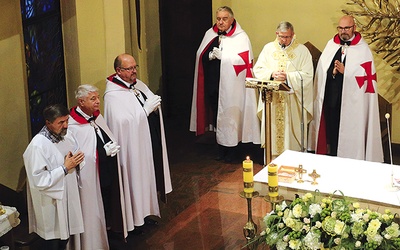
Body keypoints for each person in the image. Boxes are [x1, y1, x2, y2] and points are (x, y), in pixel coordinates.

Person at [104, 53, 172, 232]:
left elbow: (147, 101)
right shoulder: (112, 95)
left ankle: (145, 213)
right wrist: (145, 111)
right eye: (129, 69)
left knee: (148, 177)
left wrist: (153, 106)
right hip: (132, 148)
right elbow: (121, 123)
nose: (134, 71)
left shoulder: (137, 84)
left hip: (147, 140)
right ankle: (134, 220)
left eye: (135, 67)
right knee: (135, 180)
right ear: (118, 71)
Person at [189, 6, 260, 162]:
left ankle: (235, 148)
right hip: (214, 84)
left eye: (224, 19)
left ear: (232, 19)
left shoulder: (241, 37)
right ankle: (221, 148)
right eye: (218, 18)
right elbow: (200, 56)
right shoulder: (210, 34)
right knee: (217, 116)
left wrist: (224, 56)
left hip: (232, 87)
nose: (220, 22)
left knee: (232, 116)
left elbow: (244, 62)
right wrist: (209, 55)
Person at [312, 15, 383, 162]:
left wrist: (347, 71)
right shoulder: (331, 45)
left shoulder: (363, 50)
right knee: (331, 132)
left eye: (347, 28)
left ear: (354, 28)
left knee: (347, 132)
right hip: (332, 100)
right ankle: (331, 159)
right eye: (341, 28)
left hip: (352, 105)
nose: (343, 31)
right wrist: (332, 71)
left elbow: (365, 78)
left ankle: (348, 161)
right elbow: (322, 70)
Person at [68, 84, 127, 249]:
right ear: (81, 102)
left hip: (107, 170)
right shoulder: (73, 125)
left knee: (109, 200)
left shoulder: (95, 116)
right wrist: (102, 152)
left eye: (97, 98)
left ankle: (109, 230)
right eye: (92, 99)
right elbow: (79, 154)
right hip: (91, 175)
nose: (97, 102)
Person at [23, 104, 85, 250]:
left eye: (67, 120)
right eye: (61, 123)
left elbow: (75, 156)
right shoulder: (37, 146)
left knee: (64, 241)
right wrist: (64, 168)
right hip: (51, 204)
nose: (66, 126)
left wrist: (77, 162)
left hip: (68, 198)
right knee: (52, 244)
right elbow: (38, 179)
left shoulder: (67, 136)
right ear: (48, 123)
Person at [253, 21, 313, 159]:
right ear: (276, 34)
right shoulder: (268, 49)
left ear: (293, 35)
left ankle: (292, 162)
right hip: (272, 101)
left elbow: (308, 75)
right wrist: (272, 74)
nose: (284, 40)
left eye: (287, 37)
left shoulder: (302, 51)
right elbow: (258, 69)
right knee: (273, 135)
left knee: (291, 138)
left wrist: (288, 78)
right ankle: (271, 162)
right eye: (281, 37)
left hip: (292, 102)